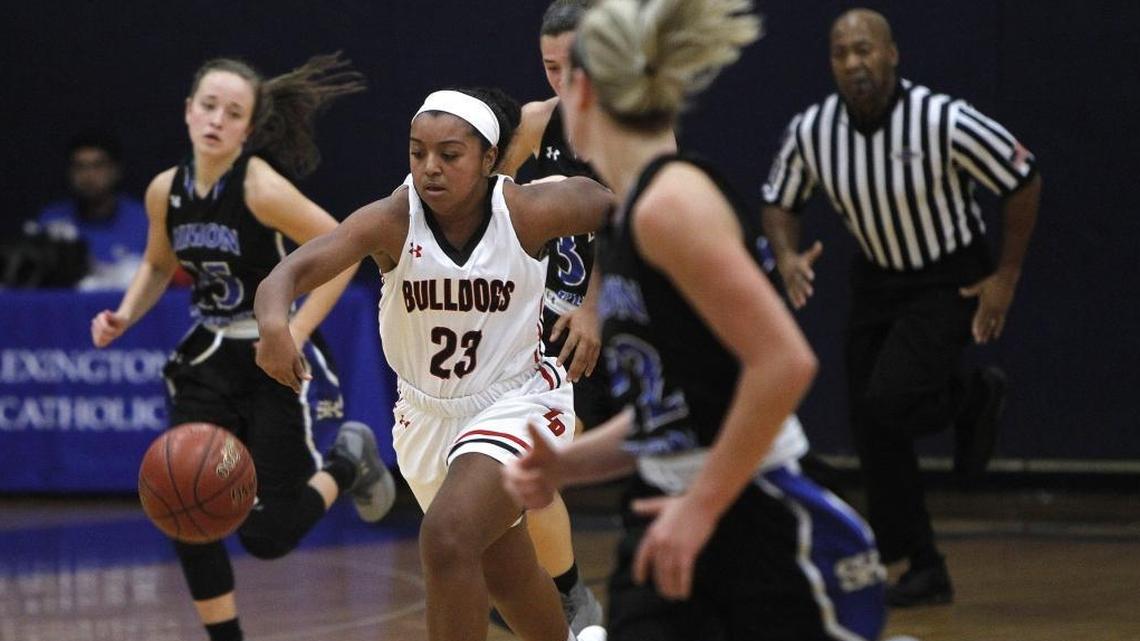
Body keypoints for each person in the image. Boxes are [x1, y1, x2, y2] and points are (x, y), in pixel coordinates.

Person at [503, 1, 887, 640]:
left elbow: (785, 363)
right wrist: (569, 464)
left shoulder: (669, 206)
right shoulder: (628, 215)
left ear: (584, 90)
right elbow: (675, 410)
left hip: (752, 515)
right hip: (669, 508)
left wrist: (701, 508)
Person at [253, 87, 614, 641]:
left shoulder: (527, 210)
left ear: (490, 159)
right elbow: (291, 272)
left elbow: (622, 210)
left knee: (446, 538)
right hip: (424, 417)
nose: (430, 168)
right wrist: (275, 323)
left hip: (517, 401)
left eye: (450, 155)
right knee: (506, 570)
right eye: (417, 152)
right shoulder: (393, 219)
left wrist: (595, 300)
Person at [89, 54, 396, 641]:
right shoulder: (165, 191)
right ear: (187, 111)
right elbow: (158, 263)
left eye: (233, 113)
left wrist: (292, 334)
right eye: (208, 106)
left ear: (248, 129)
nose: (216, 120)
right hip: (208, 357)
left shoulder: (258, 188)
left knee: (267, 537)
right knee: (184, 508)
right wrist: (124, 316)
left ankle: (349, 460)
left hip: (270, 357)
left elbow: (344, 253)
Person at [760, 8, 1041, 607]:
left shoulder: (943, 119)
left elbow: (1023, 176)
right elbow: (778, 201)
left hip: (949, 275)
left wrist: (1006, 275)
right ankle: (922, 565)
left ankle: (970, 399)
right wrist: (786, 255)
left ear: (892, 55)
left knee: (888, 400)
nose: (854, 62)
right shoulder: (814, 130)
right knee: (870, 423)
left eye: (865, 50)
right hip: (877, 279)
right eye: (841, 53)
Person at [492, 0, 608, 632]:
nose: (563, 80)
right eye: (550, 66)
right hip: (549, 319)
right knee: (517, 454)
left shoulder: (636, 122)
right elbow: (488, 201)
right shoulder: (537, 122)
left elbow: (639, 226)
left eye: (576, 64)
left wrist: (595, 306)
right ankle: (557, 591)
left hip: (622, 310)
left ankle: (564, 591)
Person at [35, 130, 149, 288]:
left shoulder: (144, 221)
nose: (88, 176)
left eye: (98, 166)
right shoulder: (52, 221)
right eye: (80, 167)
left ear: (115, 171)